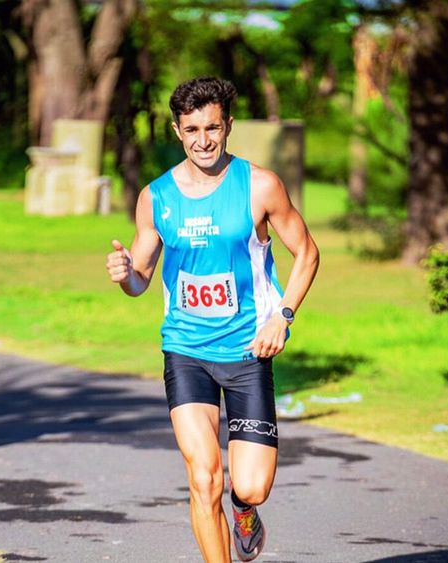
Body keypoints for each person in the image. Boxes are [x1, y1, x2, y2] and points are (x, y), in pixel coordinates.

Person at [105, 76, 319, 563]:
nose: (203, 140)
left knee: (251, 485)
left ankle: (245, 510)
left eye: (213, 128)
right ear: (177, 130)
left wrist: (282, 317)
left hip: (248, 351)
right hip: (186, 352)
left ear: (228, 126)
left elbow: (306, 253)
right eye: (192, 129)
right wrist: (124, 275)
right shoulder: (155, 197)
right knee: (204, 479)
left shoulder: (260, 185)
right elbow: (140, 279)